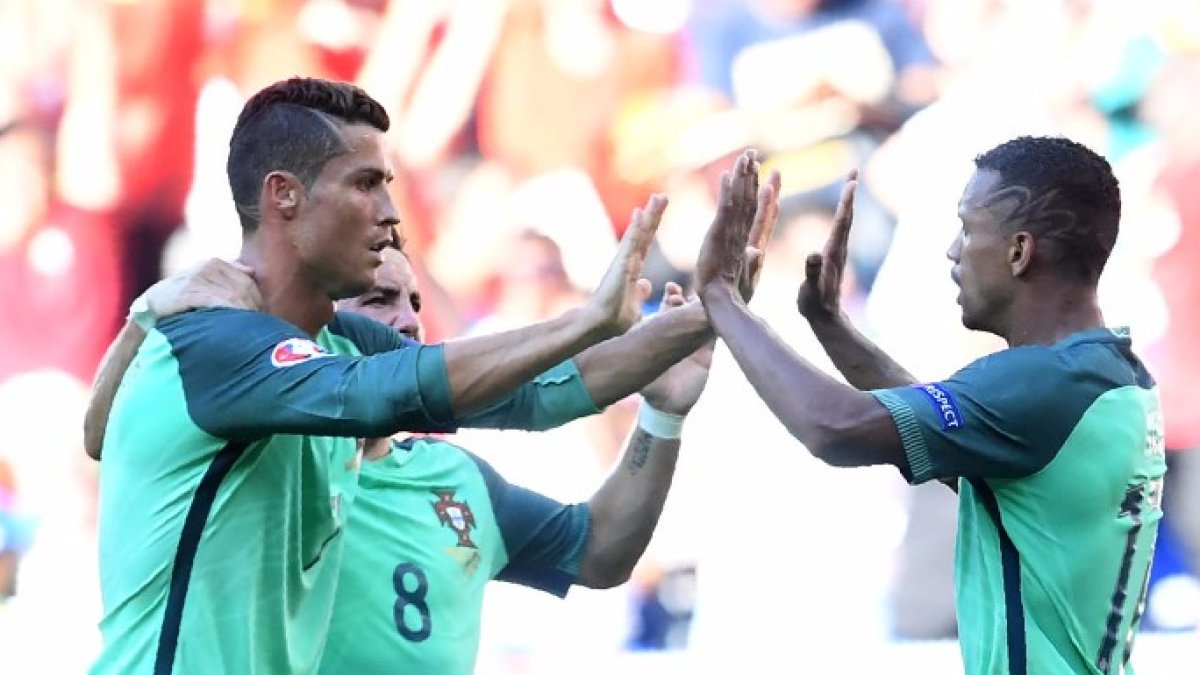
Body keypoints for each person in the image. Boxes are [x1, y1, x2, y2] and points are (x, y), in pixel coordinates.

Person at [84, 76, 767, 674]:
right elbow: (385, 390)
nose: (391, 213)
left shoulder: (335, 341)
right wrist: (588, 319)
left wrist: (699, 318)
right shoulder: (216, 340)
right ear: (284, 196)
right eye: (365, 184)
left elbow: (533, 394)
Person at [694, 136, 1165, 674]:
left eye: (968, 228)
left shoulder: (1039, 385)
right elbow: (932, 429)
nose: (953, 250)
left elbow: (834, 429)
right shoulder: (1112, 376)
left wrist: (721, 299)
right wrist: (833, 328)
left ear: (1019, 252)